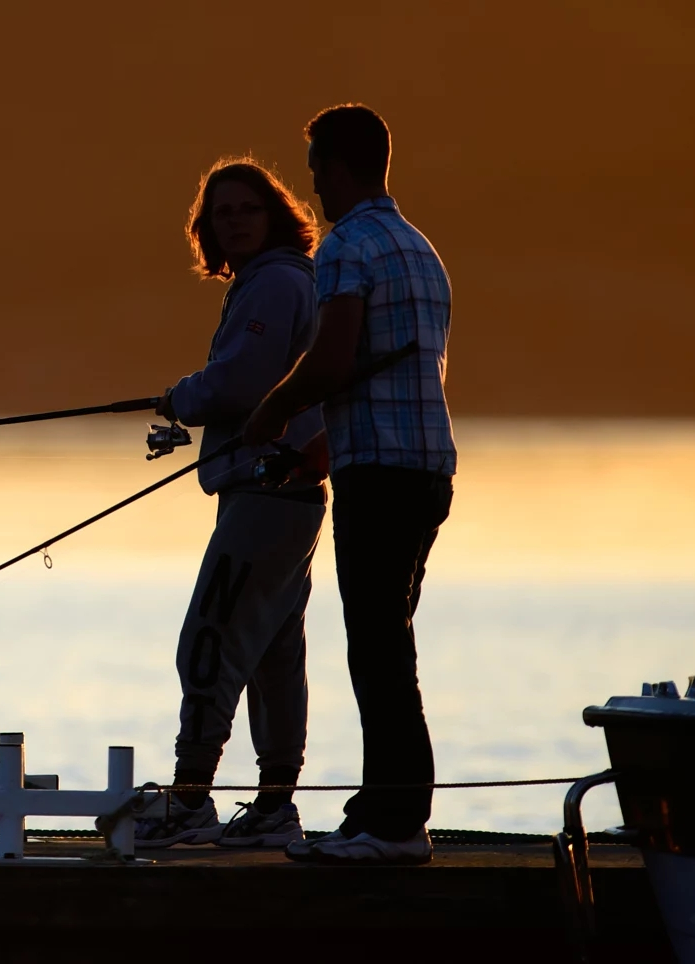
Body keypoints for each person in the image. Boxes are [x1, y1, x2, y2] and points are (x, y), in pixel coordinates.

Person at [242, 104, 455, 865]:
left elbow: (331, 364)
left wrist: (268, 415)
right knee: (389, 645)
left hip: (381, 481)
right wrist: (320, 452)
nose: (315, 190)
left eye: (314, 173)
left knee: (375, 649)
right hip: (425, 471)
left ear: (333, 167)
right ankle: (389, 812)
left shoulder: (346, 249)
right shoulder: (419, 250)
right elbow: (394, 382)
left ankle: (392, 827)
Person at [127, 158, 328, 850]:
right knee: (273, 652)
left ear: (275, 215)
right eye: (221, 213)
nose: (233, 221)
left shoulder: (274, 282)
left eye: (246, 208)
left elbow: (243, 380)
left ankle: (190, 801)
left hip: (267, 495)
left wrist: (181, 396)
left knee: (210, 640)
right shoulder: (278, 282)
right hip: (286, 496)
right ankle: (274, 806)